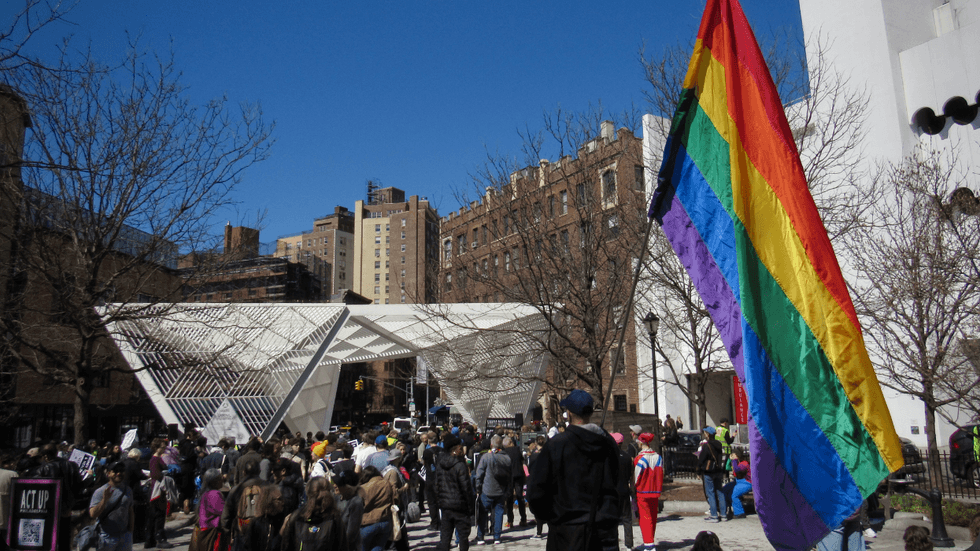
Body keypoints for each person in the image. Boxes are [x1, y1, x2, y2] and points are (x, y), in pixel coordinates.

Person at [527, 390, 622, 551]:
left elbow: (536, 491)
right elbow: (617, 482)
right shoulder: (609, 444)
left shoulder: (557, 445)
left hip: (567, 533)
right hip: (604, 532)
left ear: (569, 414)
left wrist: (550, 517)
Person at [30, 442, 83, 551]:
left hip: (47, 512)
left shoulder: (41, 470)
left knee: (47, 541)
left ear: (45, 456)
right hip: (66, 510)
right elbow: (79, 487)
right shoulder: (71, 465)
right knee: (64, 541)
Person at [279, 477, 347, 551]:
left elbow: (286, 546)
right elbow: (342, 547)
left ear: (308, 493)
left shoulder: (297, 516)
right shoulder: (334, 518)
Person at [435, 434, 474, 551]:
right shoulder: (460, 465)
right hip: (459, 506)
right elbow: (466, 488)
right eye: (460, 448)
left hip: (446, 506)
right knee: (463, 537)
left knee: (445, 537)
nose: (462, 449)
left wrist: (440, 501)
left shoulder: (440, 464)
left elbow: (436, 485)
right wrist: (470, 506)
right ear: (456, 450)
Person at [88, 462, 136, 551]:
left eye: (121, 471)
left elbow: (130, 511)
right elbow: (93, 514)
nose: (119, 473)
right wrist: (104, 500)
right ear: (109, 473)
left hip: (124, 536)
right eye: (115, 471)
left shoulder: (128, 490)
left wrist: (130, 533)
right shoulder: (100, 492)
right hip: (106, 537)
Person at [474, 435, 511, 545]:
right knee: (499, 513)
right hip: (501, 490)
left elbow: (479, 473)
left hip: (487, 489)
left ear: (491, 444)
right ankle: (497, 537)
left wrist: (477, 487)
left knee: (483, 513)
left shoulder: (486, 457)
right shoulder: (507, 458)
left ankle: (480, 537)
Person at [633, 433, 664, 550]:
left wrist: (634, 486)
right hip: (655, 491)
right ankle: (650, 541)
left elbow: (637, 476)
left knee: (645, 518)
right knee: (653, 517)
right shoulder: (658, 456)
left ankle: (648, 544)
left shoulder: (640, 458)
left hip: (643, 491)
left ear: (641, 442)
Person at [145, 438, 174, 549]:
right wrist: (165, 475)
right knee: (159, 516)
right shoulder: (155, 459)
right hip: (157, 490)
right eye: (162, 447)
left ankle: (151, 539)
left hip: (158, 489)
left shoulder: (157, 459)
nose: (164, 449)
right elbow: (156, 475)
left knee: (156, 515)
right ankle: (159, 538)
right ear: (157, 448)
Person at [360, 465, 395, 551]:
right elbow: (395, 499)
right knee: (378, 547)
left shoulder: (362, 488)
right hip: (385, 521)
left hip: (367, 523)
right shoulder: (387, 483)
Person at [189, 468, 225, 551]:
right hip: (211, 532)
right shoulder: (214, 494)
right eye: (220, 478)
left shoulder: (206, 493)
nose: (222, 479)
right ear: (214, 481)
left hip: (204, 530)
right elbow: (224, 512)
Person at [697, 427, 726, 523]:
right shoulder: (719, 444)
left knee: (711, 493)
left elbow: (701, 460)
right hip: (718, 470)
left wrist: (698, 471)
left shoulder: (706, 446)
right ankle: (723, 514)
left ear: (708, 434)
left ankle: (714, 515)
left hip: (709, 471)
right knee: (720, 492)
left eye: (705, 433)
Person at [611, 433, 633, 551]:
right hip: (624, 489)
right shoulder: (627, 457)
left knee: (613, 519)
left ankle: (614, 544)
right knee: (627, 518)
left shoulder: (609, 457)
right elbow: (630, 474)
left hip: (613, 491)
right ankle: (629, 544)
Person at [333, 469, 365, 551]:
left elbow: (351, 534)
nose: (334, 485)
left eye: (339, 484)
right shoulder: (336, 498)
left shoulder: (356, 502)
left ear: (348, 487)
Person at [503, 436, 527, 529]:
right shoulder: (517, 450)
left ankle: (510, 521)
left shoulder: (504, 452)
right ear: (509, 443)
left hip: (509, 477)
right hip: (518, 475)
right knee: (520, 497)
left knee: (509, 499)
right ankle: (523, 519)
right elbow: (522, 461)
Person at [527, 435, 548, 539]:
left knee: (538, 508)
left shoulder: (534, 455)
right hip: (547, 482)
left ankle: (539, 532)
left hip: (536, 483)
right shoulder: (547, 453)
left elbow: (530, 469)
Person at [721, 449, 750, 520]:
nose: (732, 456)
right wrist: (731, 460)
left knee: (734, 495)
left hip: (747, 482)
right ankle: (727, 508)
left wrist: (734, 460)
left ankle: (740, 513)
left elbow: (737, 470)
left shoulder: (744, 463)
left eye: (734, 454)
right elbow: (729, 468)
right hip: (738, 481)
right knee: (724, 490)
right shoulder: (737, 463)